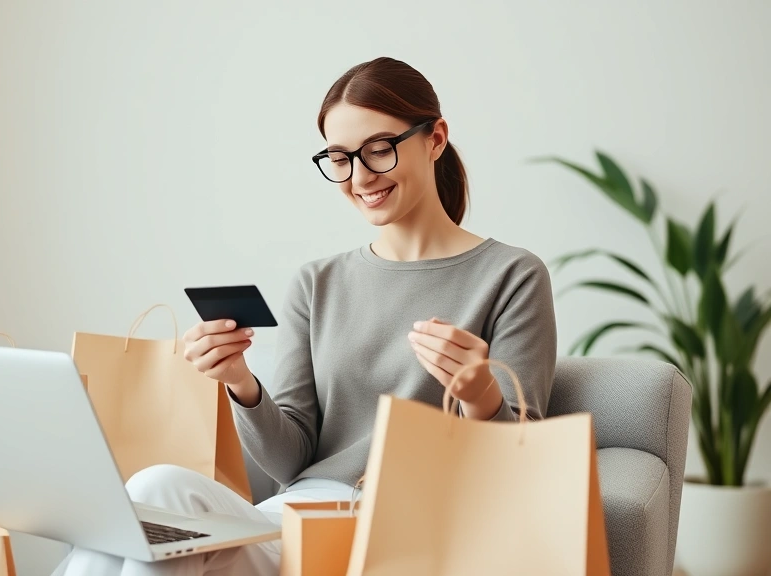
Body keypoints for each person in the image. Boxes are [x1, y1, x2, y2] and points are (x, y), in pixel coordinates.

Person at [58, 56, 556, 576]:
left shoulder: (511, 274)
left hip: (412, 527)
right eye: (340, 158)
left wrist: (481, 395)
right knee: (151, 490)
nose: (360, 177)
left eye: (379, 150)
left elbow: (522, 461)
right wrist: (239, 382)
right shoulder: (317, 283)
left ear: (435, 139)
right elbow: (290, 460)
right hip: (302, 514)